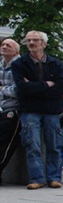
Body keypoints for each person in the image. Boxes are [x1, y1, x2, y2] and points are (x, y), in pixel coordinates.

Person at [11, 31, 63, 189]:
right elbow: (22, 88)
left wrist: (35, 87)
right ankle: (36, 179)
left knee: (54, 145)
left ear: (44, 44)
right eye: (28, 40)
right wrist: (47, 84)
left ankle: (54, 178)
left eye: (35, 40)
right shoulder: (19, 64)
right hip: (30, 110)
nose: (31, 43)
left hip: (51, 110)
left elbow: (61, 87)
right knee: (32, 145)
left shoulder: (55, 64)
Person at [0, 38, 21, 184]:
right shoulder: (0, 65)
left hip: (13, 109)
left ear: (16, 51)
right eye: (3, 44)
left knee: (4, 144)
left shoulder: (20, 66)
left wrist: (1, 89)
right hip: (1, 106)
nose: (4, 46)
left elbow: (18, 90)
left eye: (9, 45)